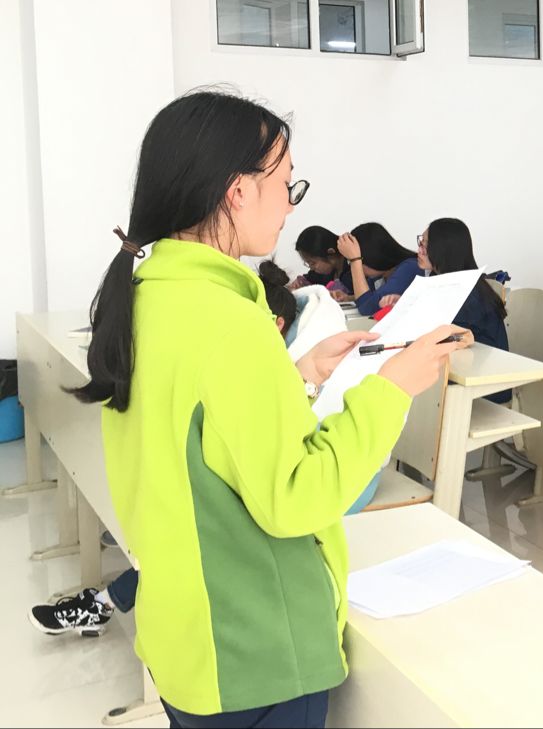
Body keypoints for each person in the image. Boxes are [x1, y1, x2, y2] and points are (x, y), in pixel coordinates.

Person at [67, 90, 468, 727]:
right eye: (286, 184)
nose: (290, 203)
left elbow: (193, 432)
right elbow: (296, 498)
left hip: (187, 635)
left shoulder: (152, 293)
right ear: (237, 191)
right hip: (252, 651)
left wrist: (294, 375)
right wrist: (391, 389)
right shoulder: (228, 321)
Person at [29, 258, 376, 640]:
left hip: (320, 484)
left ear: (275, 323)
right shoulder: (260, 355)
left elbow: (296, 457)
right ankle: (106, 601)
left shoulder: (287, 359)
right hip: (275, 482)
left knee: (198, 538)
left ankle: (103, 603)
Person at [418, 217, 511, 403]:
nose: (419, 250)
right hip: (459, 377)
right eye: (420, 242)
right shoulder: (445, 283)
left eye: (425, 244)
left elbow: (437, 336)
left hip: (482, 390)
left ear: (443, 249)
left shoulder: (468, 295)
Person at [338, 222, 422, 316]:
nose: (352, 267)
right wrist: (348, 298)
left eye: (351, 262)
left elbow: (366, 308)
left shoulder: (410, 268)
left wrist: (355, 260)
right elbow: (371, 297)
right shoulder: (381, 275)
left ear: (373, 257)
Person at [291, 226, 353, 298]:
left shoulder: (353, 272)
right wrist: (301, 282)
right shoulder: (323, 273)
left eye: (312, 263)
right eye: (307, 263)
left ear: (330, 253)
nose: (311, 268)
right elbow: (310, 278)